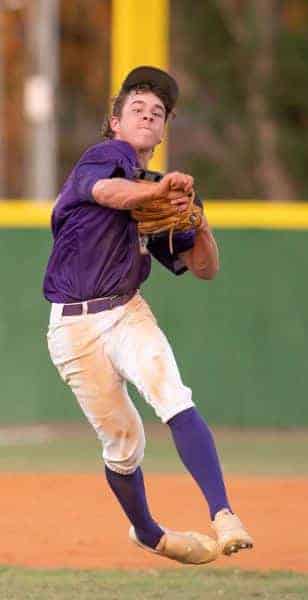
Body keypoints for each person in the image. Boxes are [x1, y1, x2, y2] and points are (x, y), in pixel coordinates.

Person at [43, 66, 253, 565]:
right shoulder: (104, 158)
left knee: (173, 395)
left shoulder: (160, 189)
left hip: (126, 310)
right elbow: (109, 194)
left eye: (157, 113)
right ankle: (149, 533)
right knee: (123, 445)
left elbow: (203, 269)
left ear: (163, 133)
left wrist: (199, 224)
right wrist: (156, 194)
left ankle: (223, 514)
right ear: (114, 123)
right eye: (136, 108)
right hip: (73, 328)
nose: (147, 115)